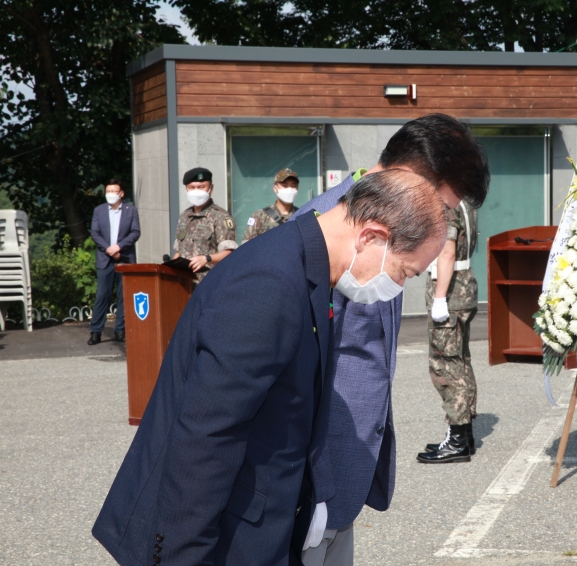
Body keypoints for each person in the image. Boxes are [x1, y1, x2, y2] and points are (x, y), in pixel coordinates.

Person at [91, 170, 447, 566]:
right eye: (404, 272)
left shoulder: (310, 268)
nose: (396, 287)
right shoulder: (270, 283)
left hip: (262, 524)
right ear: (372, 237)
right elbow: (205, 438)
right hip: (218, 539)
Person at [295, 113, 489, 566]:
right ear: (410, 177)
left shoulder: (396, 221)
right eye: (439, 205)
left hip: (347, 470)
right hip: (311, 478)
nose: (439, 222)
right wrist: (313, 485)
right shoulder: (326, 230)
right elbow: (297, 376)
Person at [418, 199, 479, 463]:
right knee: (461, 363)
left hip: (451, 289)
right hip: (464, 286)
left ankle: (456, 441)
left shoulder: (445, 205)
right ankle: (464, 435)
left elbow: (447, 252)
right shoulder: (466, 201)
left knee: (445, 365)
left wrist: (440, 297)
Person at [88, 178, 140, 345]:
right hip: (105, 259)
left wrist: (118, 247)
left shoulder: (130, 210)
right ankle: (96, 331)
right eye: (108, 191)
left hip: (125, 258)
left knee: (124, 296)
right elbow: (95, 233)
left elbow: (135, 232)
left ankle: (120, 330)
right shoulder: (99, 210)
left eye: (113, 191)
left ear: (121, 193)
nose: (110, 195)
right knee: (102, 295)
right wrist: (109, 249)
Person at [172, 167, 238, 280]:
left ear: (211, 188)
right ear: (186, 189)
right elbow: (179, 251)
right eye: (192, 187)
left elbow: (230, 253)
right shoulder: (184, 215)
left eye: (201, 187)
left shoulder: (221, 216)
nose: (196, 191)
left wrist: (206, 258)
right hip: (183, 282)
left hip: (209, 281)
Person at [242, 168, 300, 243]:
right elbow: (246, 247)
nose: (290, 189)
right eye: (284, 185)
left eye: (293, 186)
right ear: (275, 188)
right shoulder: (259, 216)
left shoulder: (301, 215)